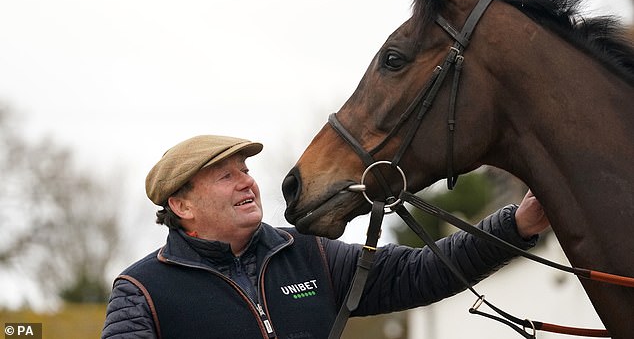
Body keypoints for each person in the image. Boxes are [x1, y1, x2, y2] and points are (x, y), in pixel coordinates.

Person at [102, 134, 549, 339]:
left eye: (246, 171)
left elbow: (423, 269)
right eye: (224, 176)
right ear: (181, 205)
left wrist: (518, 224)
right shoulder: (141, 290)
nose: (246, 183)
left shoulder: (309, 252)